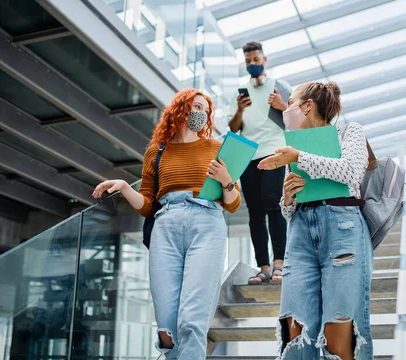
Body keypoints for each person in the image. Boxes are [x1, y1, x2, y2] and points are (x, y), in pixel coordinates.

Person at [92, 88, 241, 359]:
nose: (201, 113)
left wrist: (226, 179)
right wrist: (125, 186)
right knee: (166, 327)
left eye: (205, 110)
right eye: (195, 107)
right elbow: (148, 204)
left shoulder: (217, 148)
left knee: (192, 320)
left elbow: (233, 203)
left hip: (206, 223)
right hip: (165, 226)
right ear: (180, 109)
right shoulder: (156, 151)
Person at [257, 82, 373, 360]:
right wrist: (287, 198)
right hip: (299, 235)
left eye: (292, 102)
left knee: (340, 335)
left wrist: (299, 157)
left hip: (342, 230)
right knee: (294, 332)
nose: (287, 110)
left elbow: (351, 173)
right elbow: (289, 212)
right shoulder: (293, 146)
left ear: (307, 105)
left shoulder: (349, 131)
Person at [228, 41, 292, 284]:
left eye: (256, 59)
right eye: (248, 61)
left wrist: (282, 106)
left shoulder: (280, 87)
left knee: (273, 204)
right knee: (255, 213)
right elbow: (233, 129)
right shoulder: (240, 92)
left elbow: (297, 119)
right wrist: (240, 111)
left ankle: (280, 263)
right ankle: (263, 267)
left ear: (265, 59)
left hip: (273, 152)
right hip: (248, 155)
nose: (252, 64)